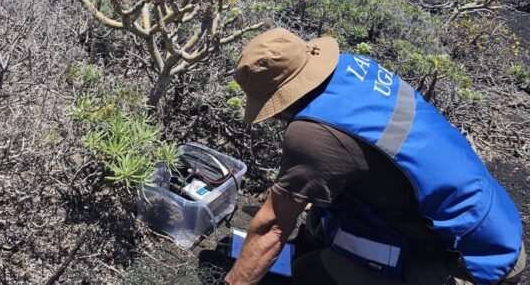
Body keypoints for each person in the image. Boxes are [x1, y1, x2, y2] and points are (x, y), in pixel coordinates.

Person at [224, 28, 525, 285]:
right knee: (319, 222)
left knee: (309, 272)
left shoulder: (313, 136)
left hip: (469, 257)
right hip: (490, 214)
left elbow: (272, 227)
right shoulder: (354, 66)